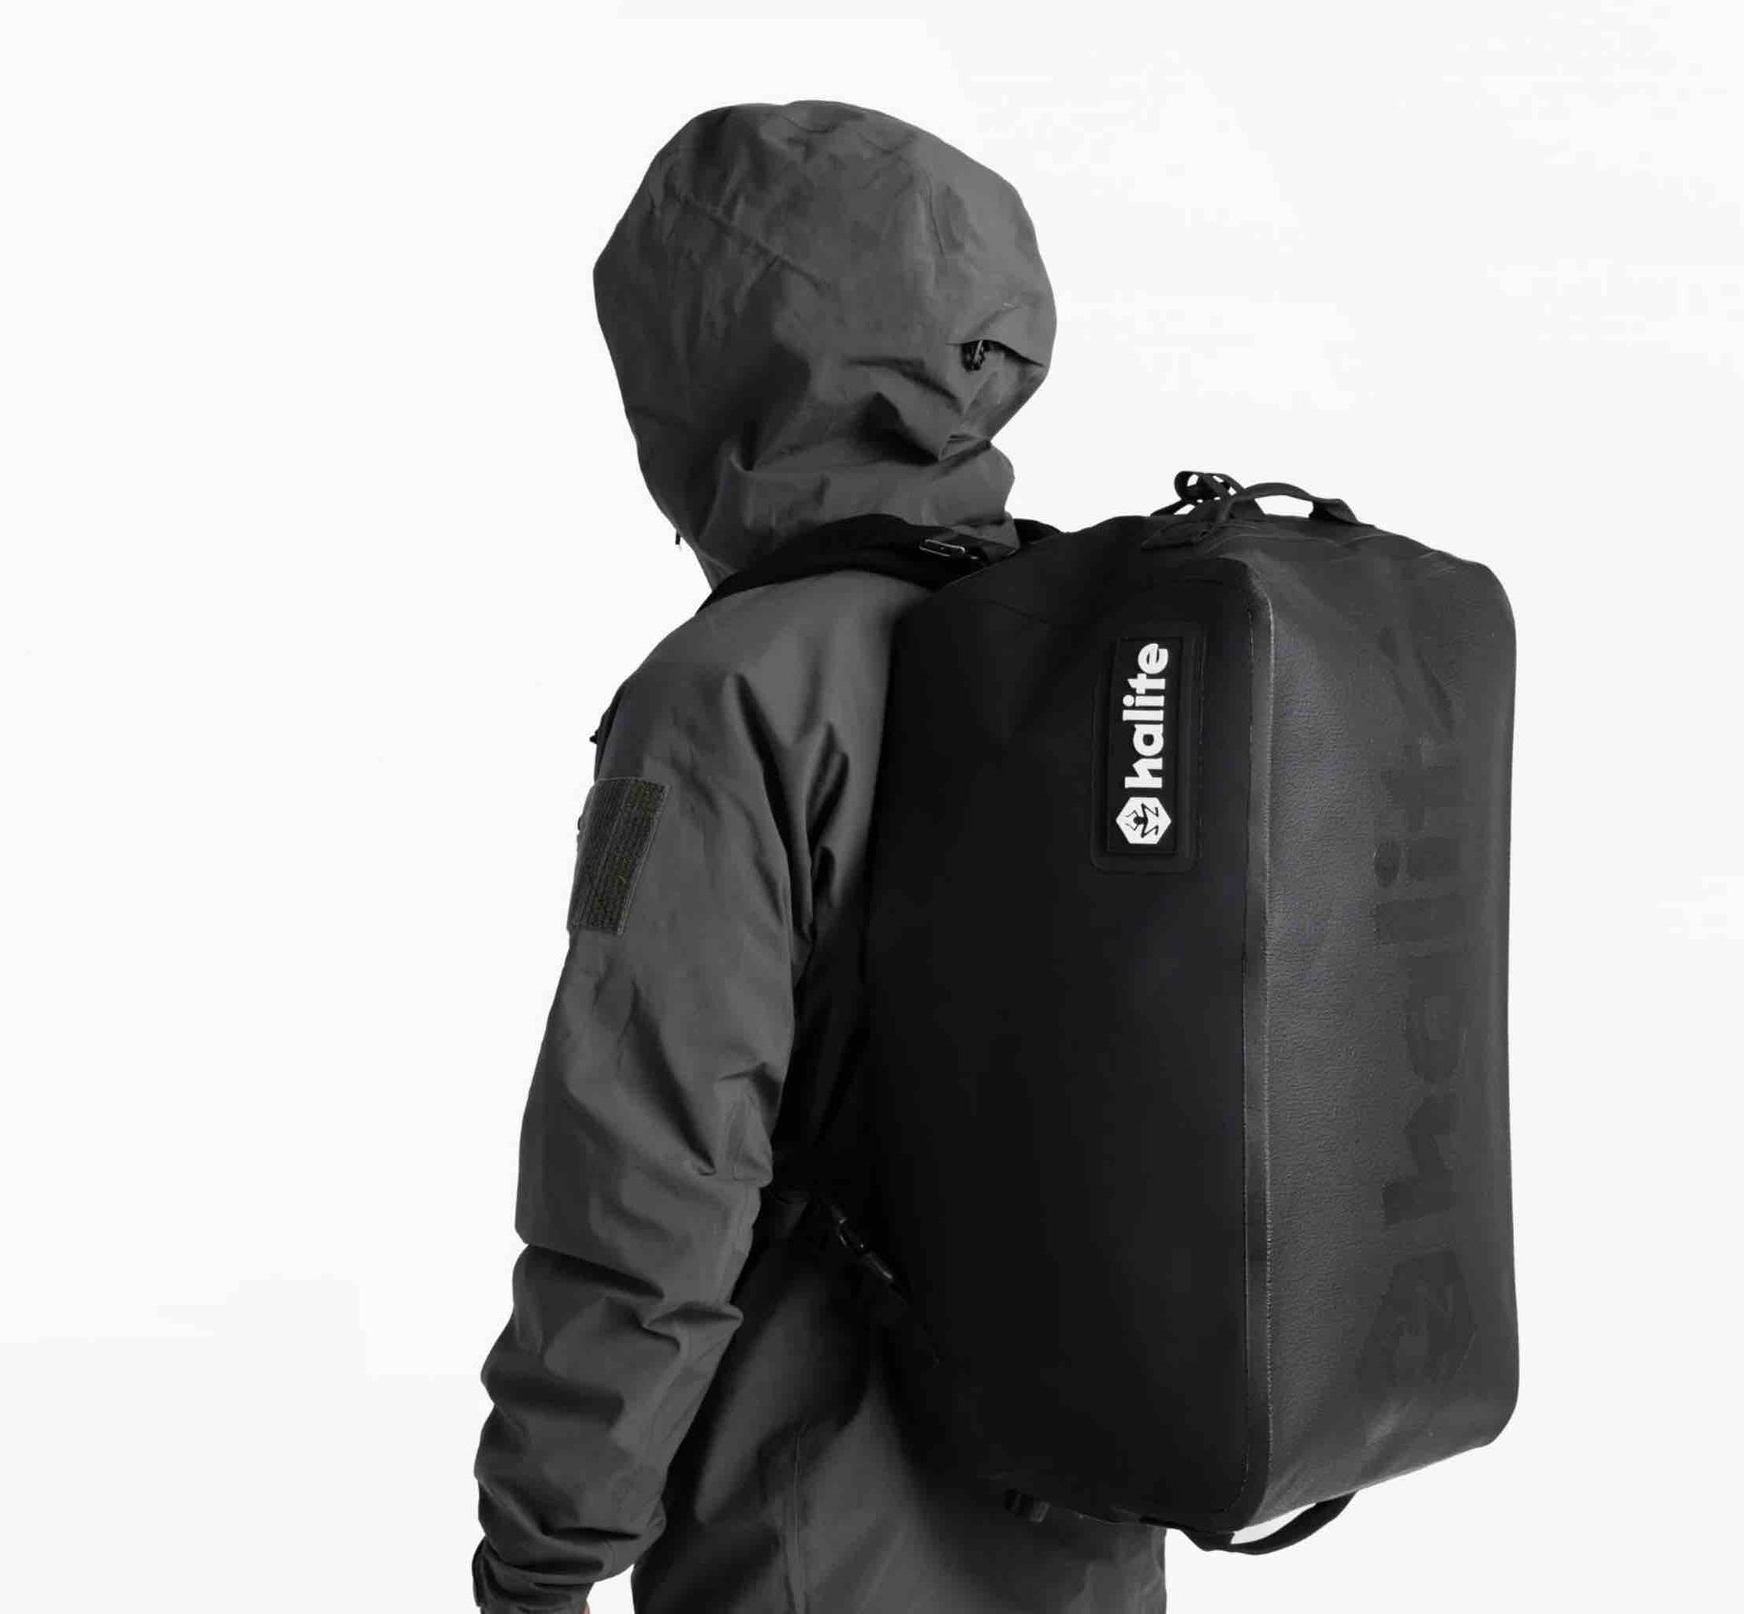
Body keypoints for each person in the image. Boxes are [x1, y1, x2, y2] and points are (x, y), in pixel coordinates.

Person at [471, 98, 1168, 1614]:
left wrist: (541, 1551)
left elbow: (646, 1166)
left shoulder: (720, 697)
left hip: (801, 1545)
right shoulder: (1101, 643)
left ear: (706, 369)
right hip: (1089, 1529)